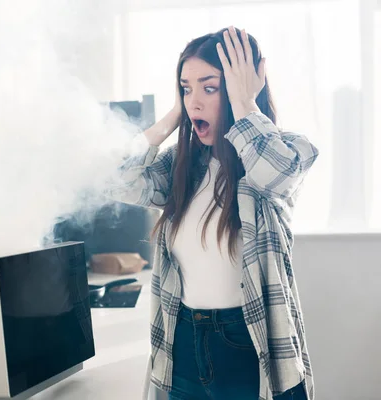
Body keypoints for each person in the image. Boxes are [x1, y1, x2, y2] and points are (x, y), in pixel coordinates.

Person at [108, 26, 319, 400]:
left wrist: (244, 104)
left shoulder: (286, 151)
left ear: (245, 88)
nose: (195, 102)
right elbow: (116, 181)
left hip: (247, 342)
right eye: (186, 89)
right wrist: (173, 114)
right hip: (183, 339)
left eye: (210, 87)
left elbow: (276, 174)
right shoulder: (182, 166)